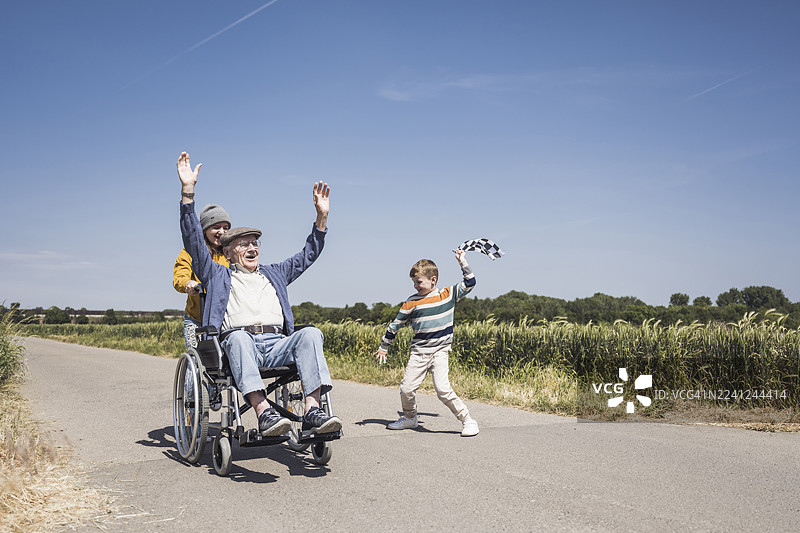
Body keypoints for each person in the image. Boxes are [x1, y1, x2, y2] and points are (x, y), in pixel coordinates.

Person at [177, 151, 341, 438]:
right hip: (242, 345)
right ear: (227, 252)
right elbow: (192, 240)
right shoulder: (217, 274)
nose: (252, 247)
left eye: (255, 243)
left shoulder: (274, 272)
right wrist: (188, 193)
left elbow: (308, 255)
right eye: (243, 244)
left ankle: (313, 410)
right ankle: (264, 413)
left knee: (311, 333)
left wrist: (321, 218)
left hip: (277, 343)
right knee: (238, 337)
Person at [373, 252, 480, 437]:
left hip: (440, 351)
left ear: (433, 279)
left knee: (443, 390)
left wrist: (463, 262)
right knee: (406, 389)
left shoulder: (448, 294)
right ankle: (410, 418)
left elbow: (470, 282)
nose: (416, 286)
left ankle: (468, 420)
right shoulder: (411, 302)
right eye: (414, 283)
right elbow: (395, 325)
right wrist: (384, 346)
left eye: (419, 282)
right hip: (419, 353)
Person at [173, 204, 231, 349]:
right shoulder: (190, 252)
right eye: (216, 227)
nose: (221, 232)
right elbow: (180, 275)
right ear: (204, 229)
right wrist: (188, 283)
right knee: (196, 357)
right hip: (196, 318)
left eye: (225, 228)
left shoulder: (231, 253)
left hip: (224, 318)